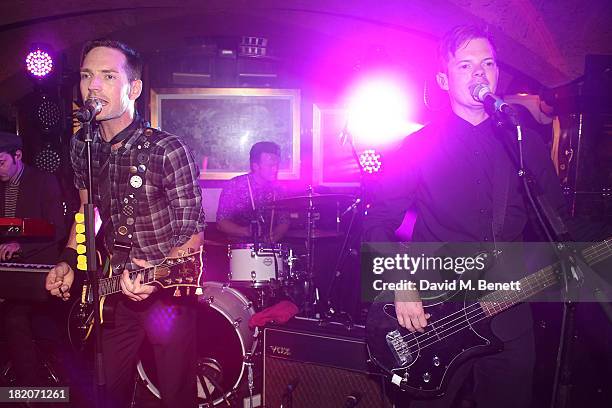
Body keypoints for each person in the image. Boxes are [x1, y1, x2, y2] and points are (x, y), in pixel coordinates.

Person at [363, 25, 597, 408]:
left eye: (487, 63)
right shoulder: (416, 147)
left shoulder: (523, 141)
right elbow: (377, 220)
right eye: (466, 65)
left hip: (508, 312)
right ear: (443, 78)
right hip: (433, 315)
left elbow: (555, 223)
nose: (479, 73)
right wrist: (401, 284)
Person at [45, 39, 205, 407]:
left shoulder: (166, 149)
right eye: (87, 75)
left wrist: (157, 269)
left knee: (175, 395)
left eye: (106, 76)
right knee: (105, 392)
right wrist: (71, 261)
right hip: (111, 291)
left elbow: (193, 232)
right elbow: (89, 213)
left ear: (133, 88)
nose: (93, 86)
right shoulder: (82, 145)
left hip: (166, 291)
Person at [0, 131, 66, 386]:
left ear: (18, 156)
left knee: (14, 316)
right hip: (7, 270)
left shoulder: (43, 181)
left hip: (38, 270)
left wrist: (18, 242)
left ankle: (32, 391)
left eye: (1, 162)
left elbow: (55, 228)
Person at [217, 141, 289, 243]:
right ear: (255, 166)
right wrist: (246, 231)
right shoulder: (234, 185)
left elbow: (284, 221)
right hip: (239, 251)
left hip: (270, 250)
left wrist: (274, 237)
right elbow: (221, 223)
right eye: (270, 166)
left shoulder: (279, 189)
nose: (275, 169)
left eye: (277, 165)